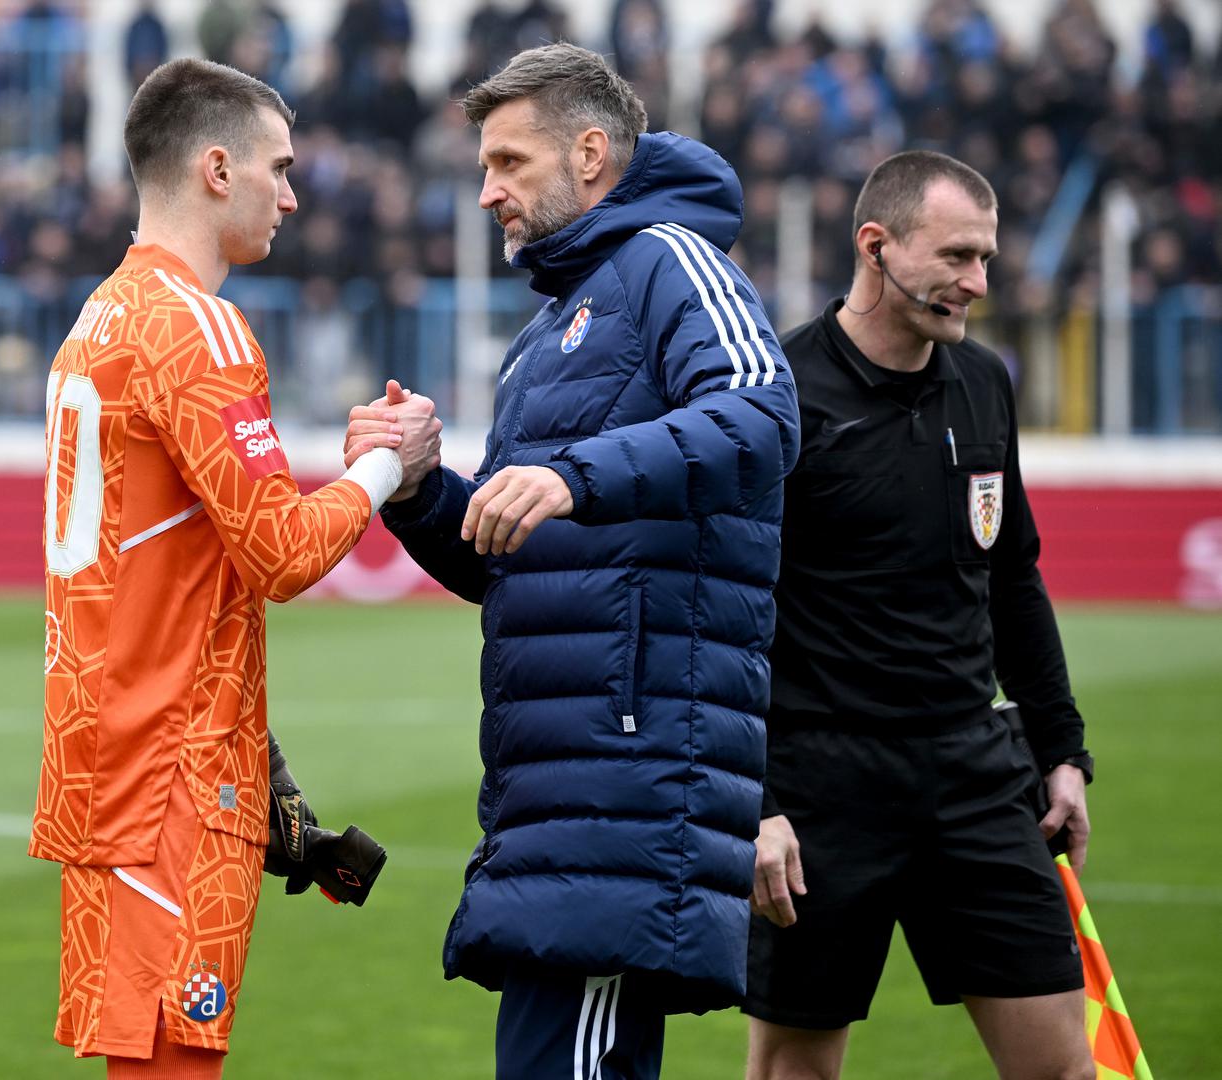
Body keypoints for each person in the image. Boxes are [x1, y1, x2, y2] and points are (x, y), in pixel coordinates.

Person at [345, 43, 799, 1080]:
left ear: (590, 153)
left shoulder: (673, 260)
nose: (484, 191)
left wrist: (576, 475)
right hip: (557, 793)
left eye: (507, 162)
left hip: (627, 788)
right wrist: (419, 490)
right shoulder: (549, 327)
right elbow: (516, 562)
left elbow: (762, 416)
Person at [29, 58, 436, 1079]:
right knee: (171, 1062)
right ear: (217, 169)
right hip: (170, 772)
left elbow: (179, 571)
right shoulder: (196, 325)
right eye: (278, 168)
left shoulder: (99, 318)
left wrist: (254, 745)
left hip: (106, 751)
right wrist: (389, 465)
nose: (293, 195)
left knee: (142, 1057)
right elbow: (284, 554)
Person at [744, 150, 1094, 1080]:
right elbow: (724, 610)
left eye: (984, 258)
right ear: (876, 247)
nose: (977, 283)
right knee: (795, 1072)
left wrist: (1060, 751)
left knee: (1065, 1067)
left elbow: (1011, 574)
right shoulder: (774, 392)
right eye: (955, 258)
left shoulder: (983, 381)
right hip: (821, 786)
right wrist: (757, 803)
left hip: (973, 771)